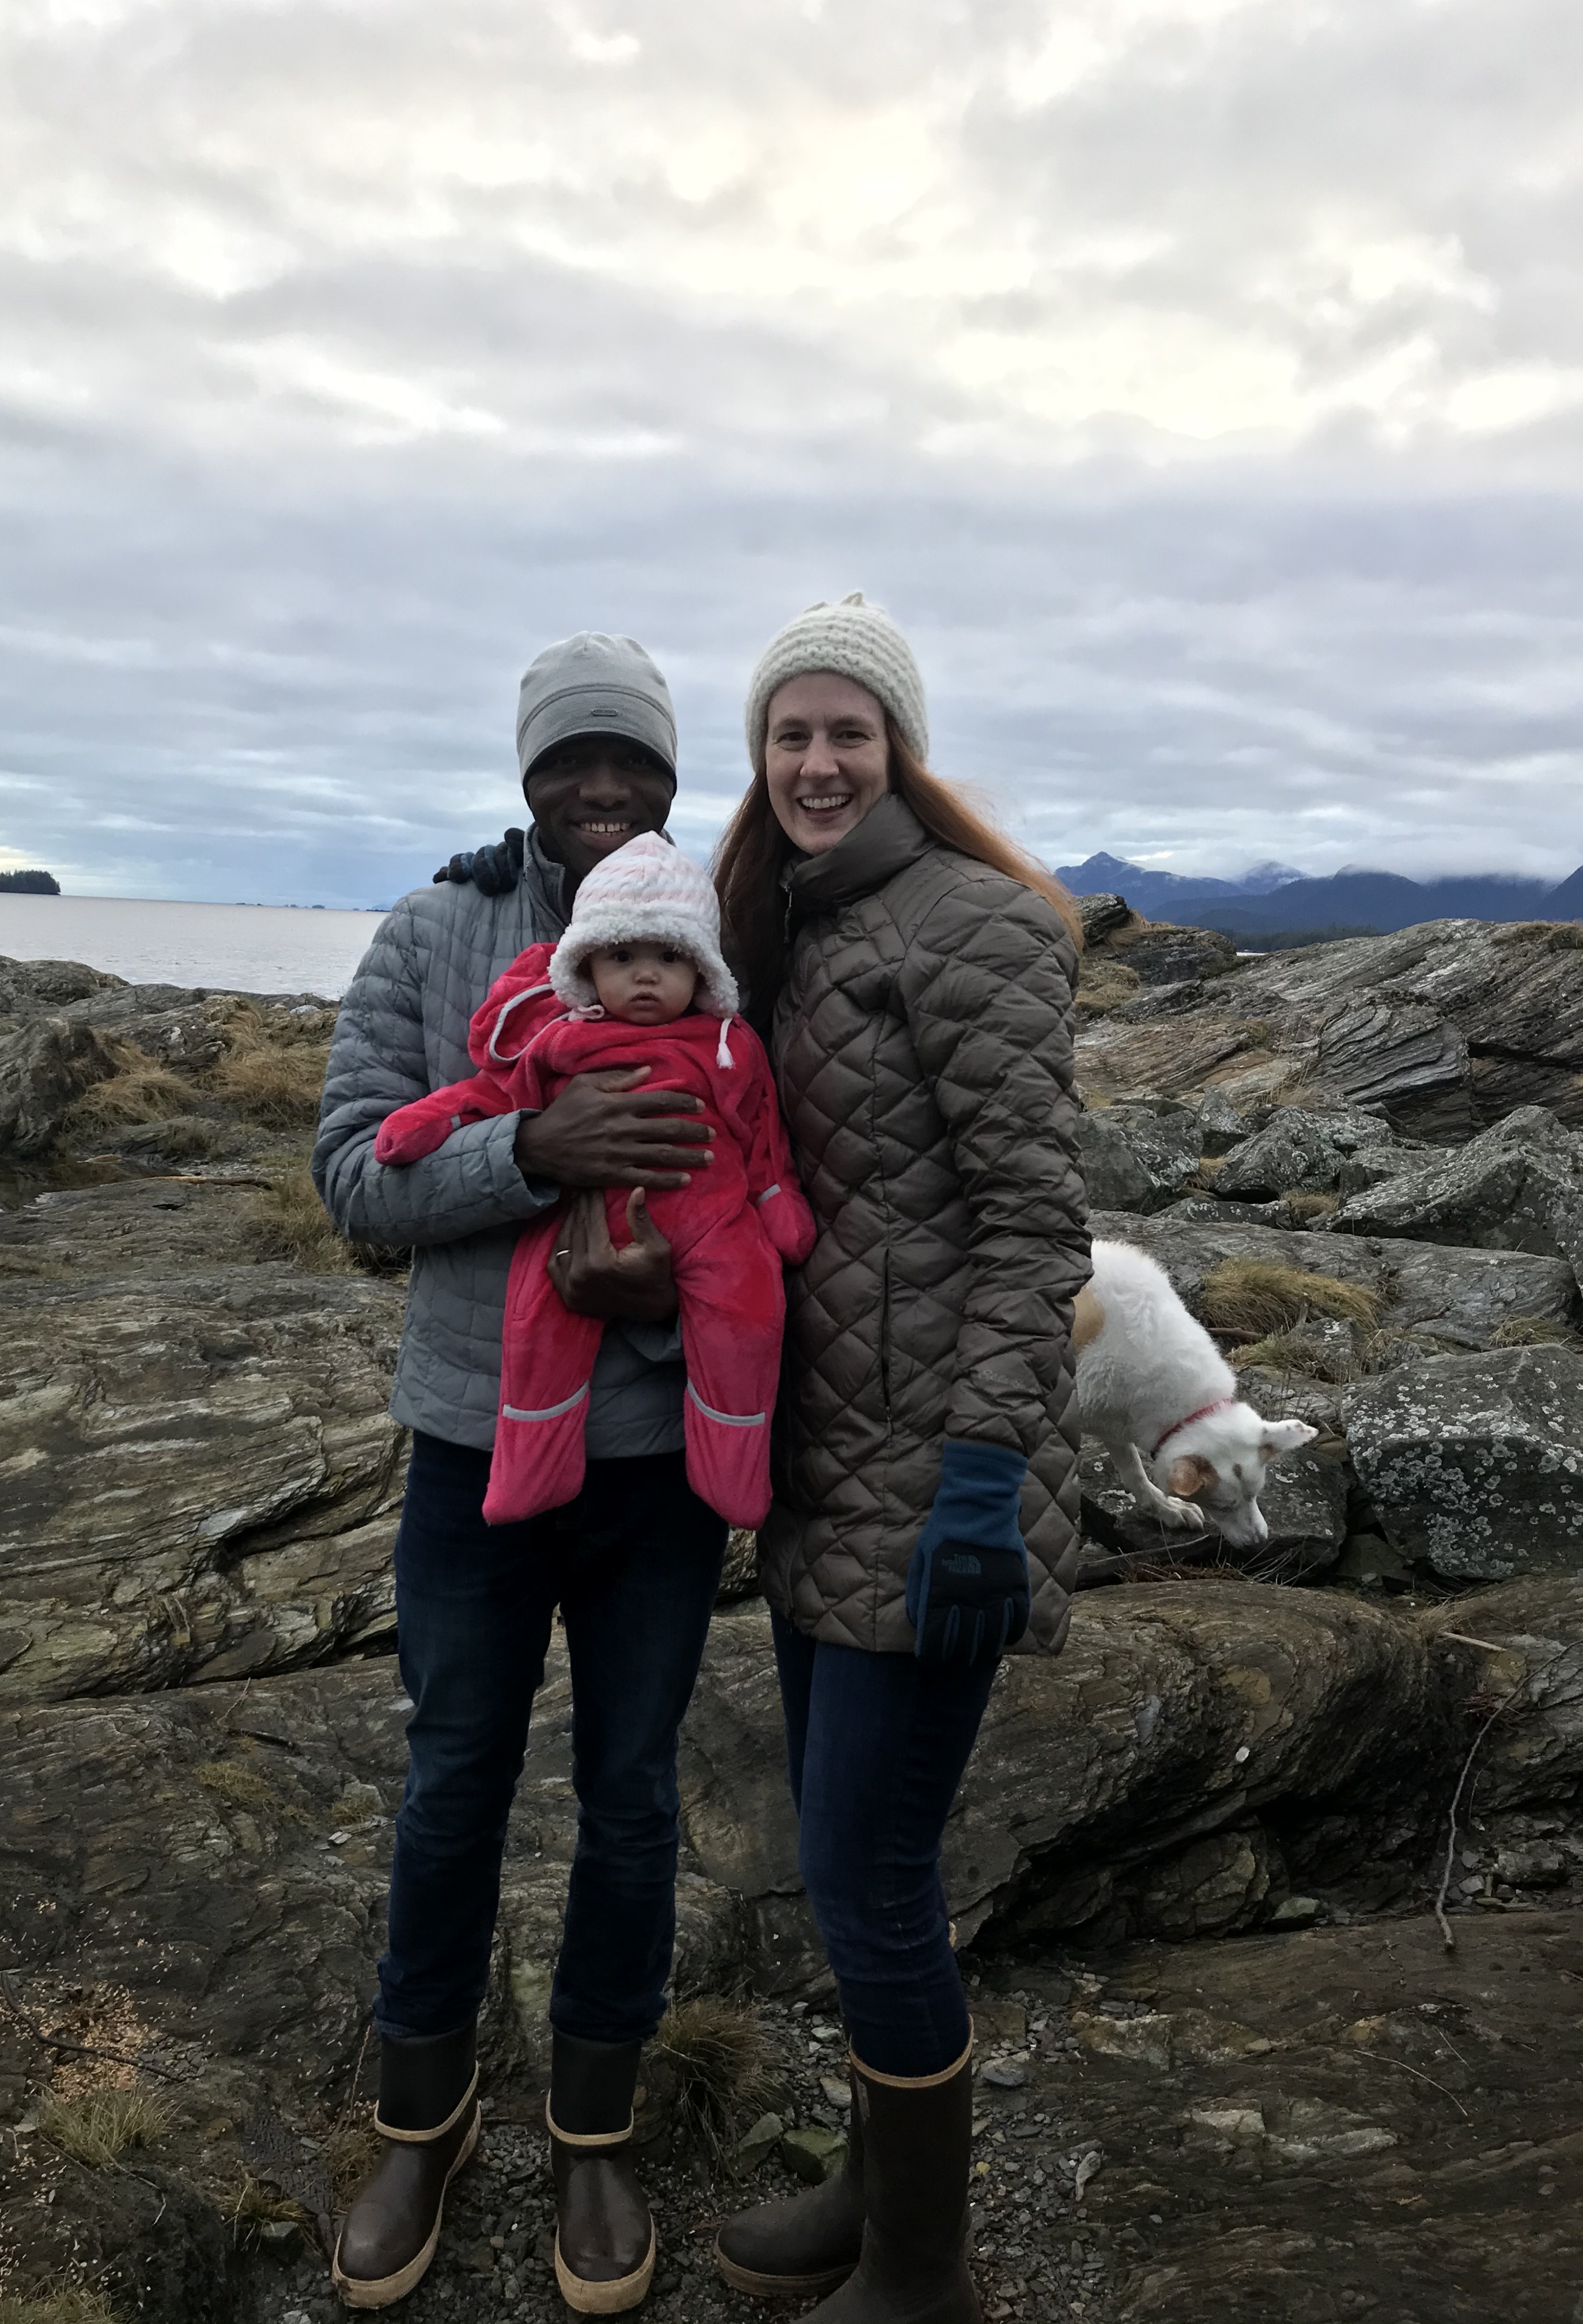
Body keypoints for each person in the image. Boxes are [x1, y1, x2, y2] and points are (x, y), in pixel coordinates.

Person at [312, 633, 731, 2316]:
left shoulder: (718, 940)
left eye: (632, 762)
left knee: (631, 1797)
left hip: (657, 1469)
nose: (604, 789)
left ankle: (597, 2126)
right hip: (469, 1446)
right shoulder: (433, 929)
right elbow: (353, 1178)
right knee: (454, 1775)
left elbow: (765, 1167)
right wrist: (527, 1152)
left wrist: (667, 1292)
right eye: (574, 763)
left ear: (671, 777)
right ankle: (422, 2116)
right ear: (529, 773)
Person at [709, 595, 1090, 2324]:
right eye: (790, 731)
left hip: (935, 1485)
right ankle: (879, 2194)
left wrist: (979, 1482)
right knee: (860, 1864)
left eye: (847, 731)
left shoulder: (972, 927)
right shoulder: (786, 921)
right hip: (818, 1472)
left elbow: (1033, 1230)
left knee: (868, 1879)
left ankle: (926, 2278)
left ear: (899, 750)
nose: (816, 759)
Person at [371, 831, 815, 1529]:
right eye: (622, 957)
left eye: (670, 958)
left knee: (748, 1316)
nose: (645, 976)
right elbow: (490, 1094)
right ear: (585, 963)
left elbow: (761, 1135)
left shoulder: (730, 1042)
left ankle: (733, 1469)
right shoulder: (559, 1033)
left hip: (710, 1239)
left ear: (702, 969)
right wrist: (502, 1140)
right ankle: (526, 1469)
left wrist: (773, 1202)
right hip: (557, 1255)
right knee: (537, 1328)